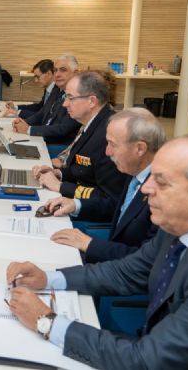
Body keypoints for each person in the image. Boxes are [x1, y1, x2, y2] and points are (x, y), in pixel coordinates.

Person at [6, 134, 188, 370]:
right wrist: (48, 279)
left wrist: (46, 322)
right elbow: (124, 272)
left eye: (162, 182)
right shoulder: (179, 227)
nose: (146, 188)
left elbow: (146, 360)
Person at [45, 107, 165, 263]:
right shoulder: (135, 170)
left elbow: (147, 261)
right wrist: (76, 204)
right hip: (112, 256)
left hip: (121, 267)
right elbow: (117, 207)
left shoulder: (162, 192)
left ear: (140, 148)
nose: (107, 152)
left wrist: (88, 244)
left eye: (112, 144)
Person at [32, 71, 127, 204]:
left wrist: (61, 186)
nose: (65, 104)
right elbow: (85, 172)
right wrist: (59, 174)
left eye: (70, 98)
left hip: (90, 210)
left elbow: (109, 198)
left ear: (91, 101)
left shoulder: (109, 135)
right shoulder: (93, 123)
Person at [12, 55, 81, 145]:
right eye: (55, 70)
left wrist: (29, 129)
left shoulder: (79, 96)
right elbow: (42, 113)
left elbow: (63, 129)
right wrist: (24, 122)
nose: (57, 74)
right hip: (43, 138)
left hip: (58, 145)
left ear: (75, 73)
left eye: (63, 70)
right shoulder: (57, 89)